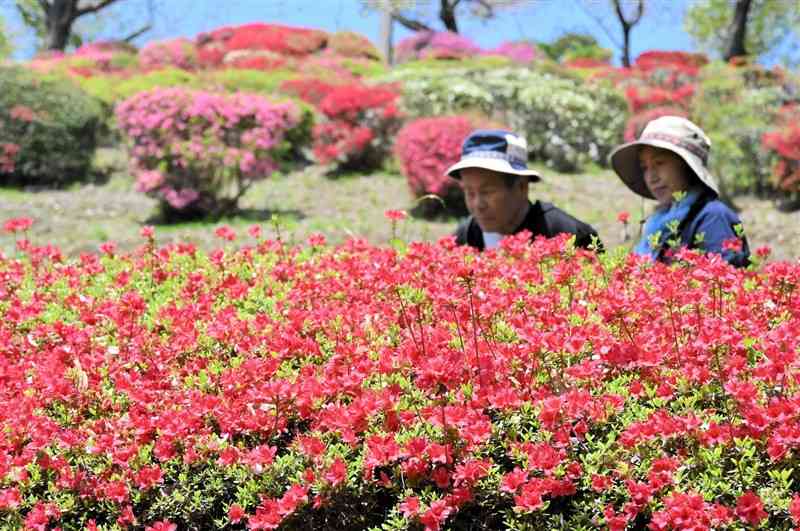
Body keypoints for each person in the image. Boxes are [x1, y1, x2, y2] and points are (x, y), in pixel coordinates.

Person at [609, 115, 750, 267]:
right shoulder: (658, 222)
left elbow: (724, 281)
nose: (651, 177)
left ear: (686, 166)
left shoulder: (712, 217)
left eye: (659, 163)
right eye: (645, 167)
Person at [446, 129, 600, 251]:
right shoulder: (463, 239)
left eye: (487, 192)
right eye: (469, 192)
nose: (478, 204)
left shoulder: (567, 235)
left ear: (522, 187)